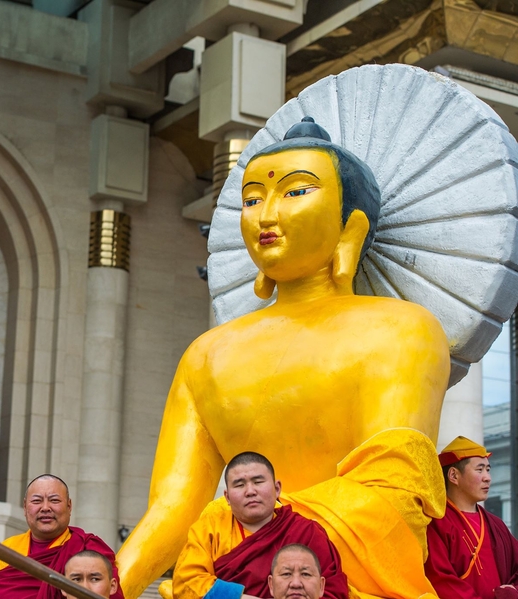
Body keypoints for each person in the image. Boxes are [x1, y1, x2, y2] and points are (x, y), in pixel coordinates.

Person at [116, 118, 450, 599]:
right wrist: (107, 586)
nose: (265, 215)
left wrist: (251, 520)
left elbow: (389, 497)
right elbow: (174, 509)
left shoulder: (400, 329)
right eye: (251, 199)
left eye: (295, 192)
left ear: (349, 227)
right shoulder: (207, 354)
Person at [168, 453, 347, 599]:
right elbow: (186, 582)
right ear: (227, 497)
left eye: (258, 482)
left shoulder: (306, 532)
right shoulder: (210, 529)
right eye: (239, 484)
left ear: (277, 489)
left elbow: (333, 591)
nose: (250, 491)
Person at [0, 474, 124, 599]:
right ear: (25, 507)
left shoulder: (88, 548)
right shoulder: (6, 549)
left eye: (54, 500)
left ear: (69, 506)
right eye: (37, 501)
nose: (45, 508)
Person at [425, 436, 518, 599]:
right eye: (479, 469)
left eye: (488, 470)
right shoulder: (436, 522)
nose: (487, 477)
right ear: (453, 475)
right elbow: (440, 579)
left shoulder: (496, 525)